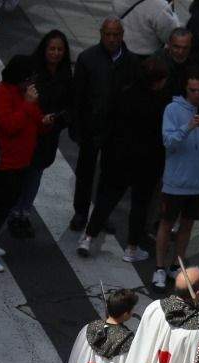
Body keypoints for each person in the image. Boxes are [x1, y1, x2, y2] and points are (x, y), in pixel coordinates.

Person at [77, 56, 170, 263]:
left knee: (107, 199)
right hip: (147, 162)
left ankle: (88, 237)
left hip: (119, 157)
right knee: (139, 206)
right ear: (158, 80)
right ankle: (132, 247)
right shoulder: (161, 104)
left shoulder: (125, 93)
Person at [156, 69, 199, 291]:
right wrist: (189, 126)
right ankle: (159, 267)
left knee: (187, 226)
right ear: (186, 89)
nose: (197, 95)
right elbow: (169, 142)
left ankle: (177, 264)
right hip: (175, 181)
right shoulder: (173, 110)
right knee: (166, 224)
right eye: (193, 90)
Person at [0, 55, 45, 274]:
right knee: (2, 205)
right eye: (30, 77)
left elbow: (35, 119)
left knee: (5, 203)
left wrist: (37, 114)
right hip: (3, 164)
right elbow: (10, 126)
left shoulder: (22, 94)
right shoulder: (1, 94)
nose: (32, 82)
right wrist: (28, 105)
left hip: (19, 161)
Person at [69, 18, 136, 233]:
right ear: (101, 34)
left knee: (109, 175)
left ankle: (101, 214)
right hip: (91, 127)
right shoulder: (87, 59)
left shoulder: (131, 62)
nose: (112, 39)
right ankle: (80, 212)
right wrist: (76, 127)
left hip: (117, 130)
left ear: (122, 35)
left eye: (116, 34)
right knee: (85, 172)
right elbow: (77, 96)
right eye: (108, 34)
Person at [9, 31, 72, 241]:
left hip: (48, 136)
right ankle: (14, 212)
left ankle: (23, 212)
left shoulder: (65, 76)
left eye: (59, 49)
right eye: (52, 48)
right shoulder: (32, 71)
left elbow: (68, 106)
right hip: (28, 132)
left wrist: (57, 119)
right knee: (21, 175)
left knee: (35, 175)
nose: (55, 53)